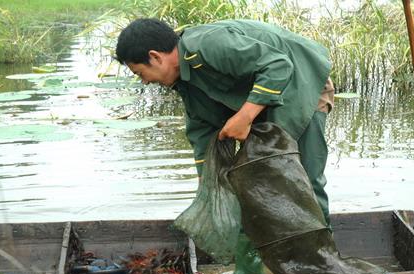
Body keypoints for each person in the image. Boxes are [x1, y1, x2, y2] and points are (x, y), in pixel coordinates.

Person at [116, 18, 334, 224]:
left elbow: (277, 65)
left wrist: (245, 116)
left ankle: (323, 257)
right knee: (262, 181)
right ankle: (275, 253)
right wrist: (206, 181)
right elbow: (201, 130)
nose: (144, 81)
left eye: (140, 73)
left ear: (155, 57)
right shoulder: (184, 80)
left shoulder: (208, 45)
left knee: (305, 178)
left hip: (303, 82)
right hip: (265, 100)